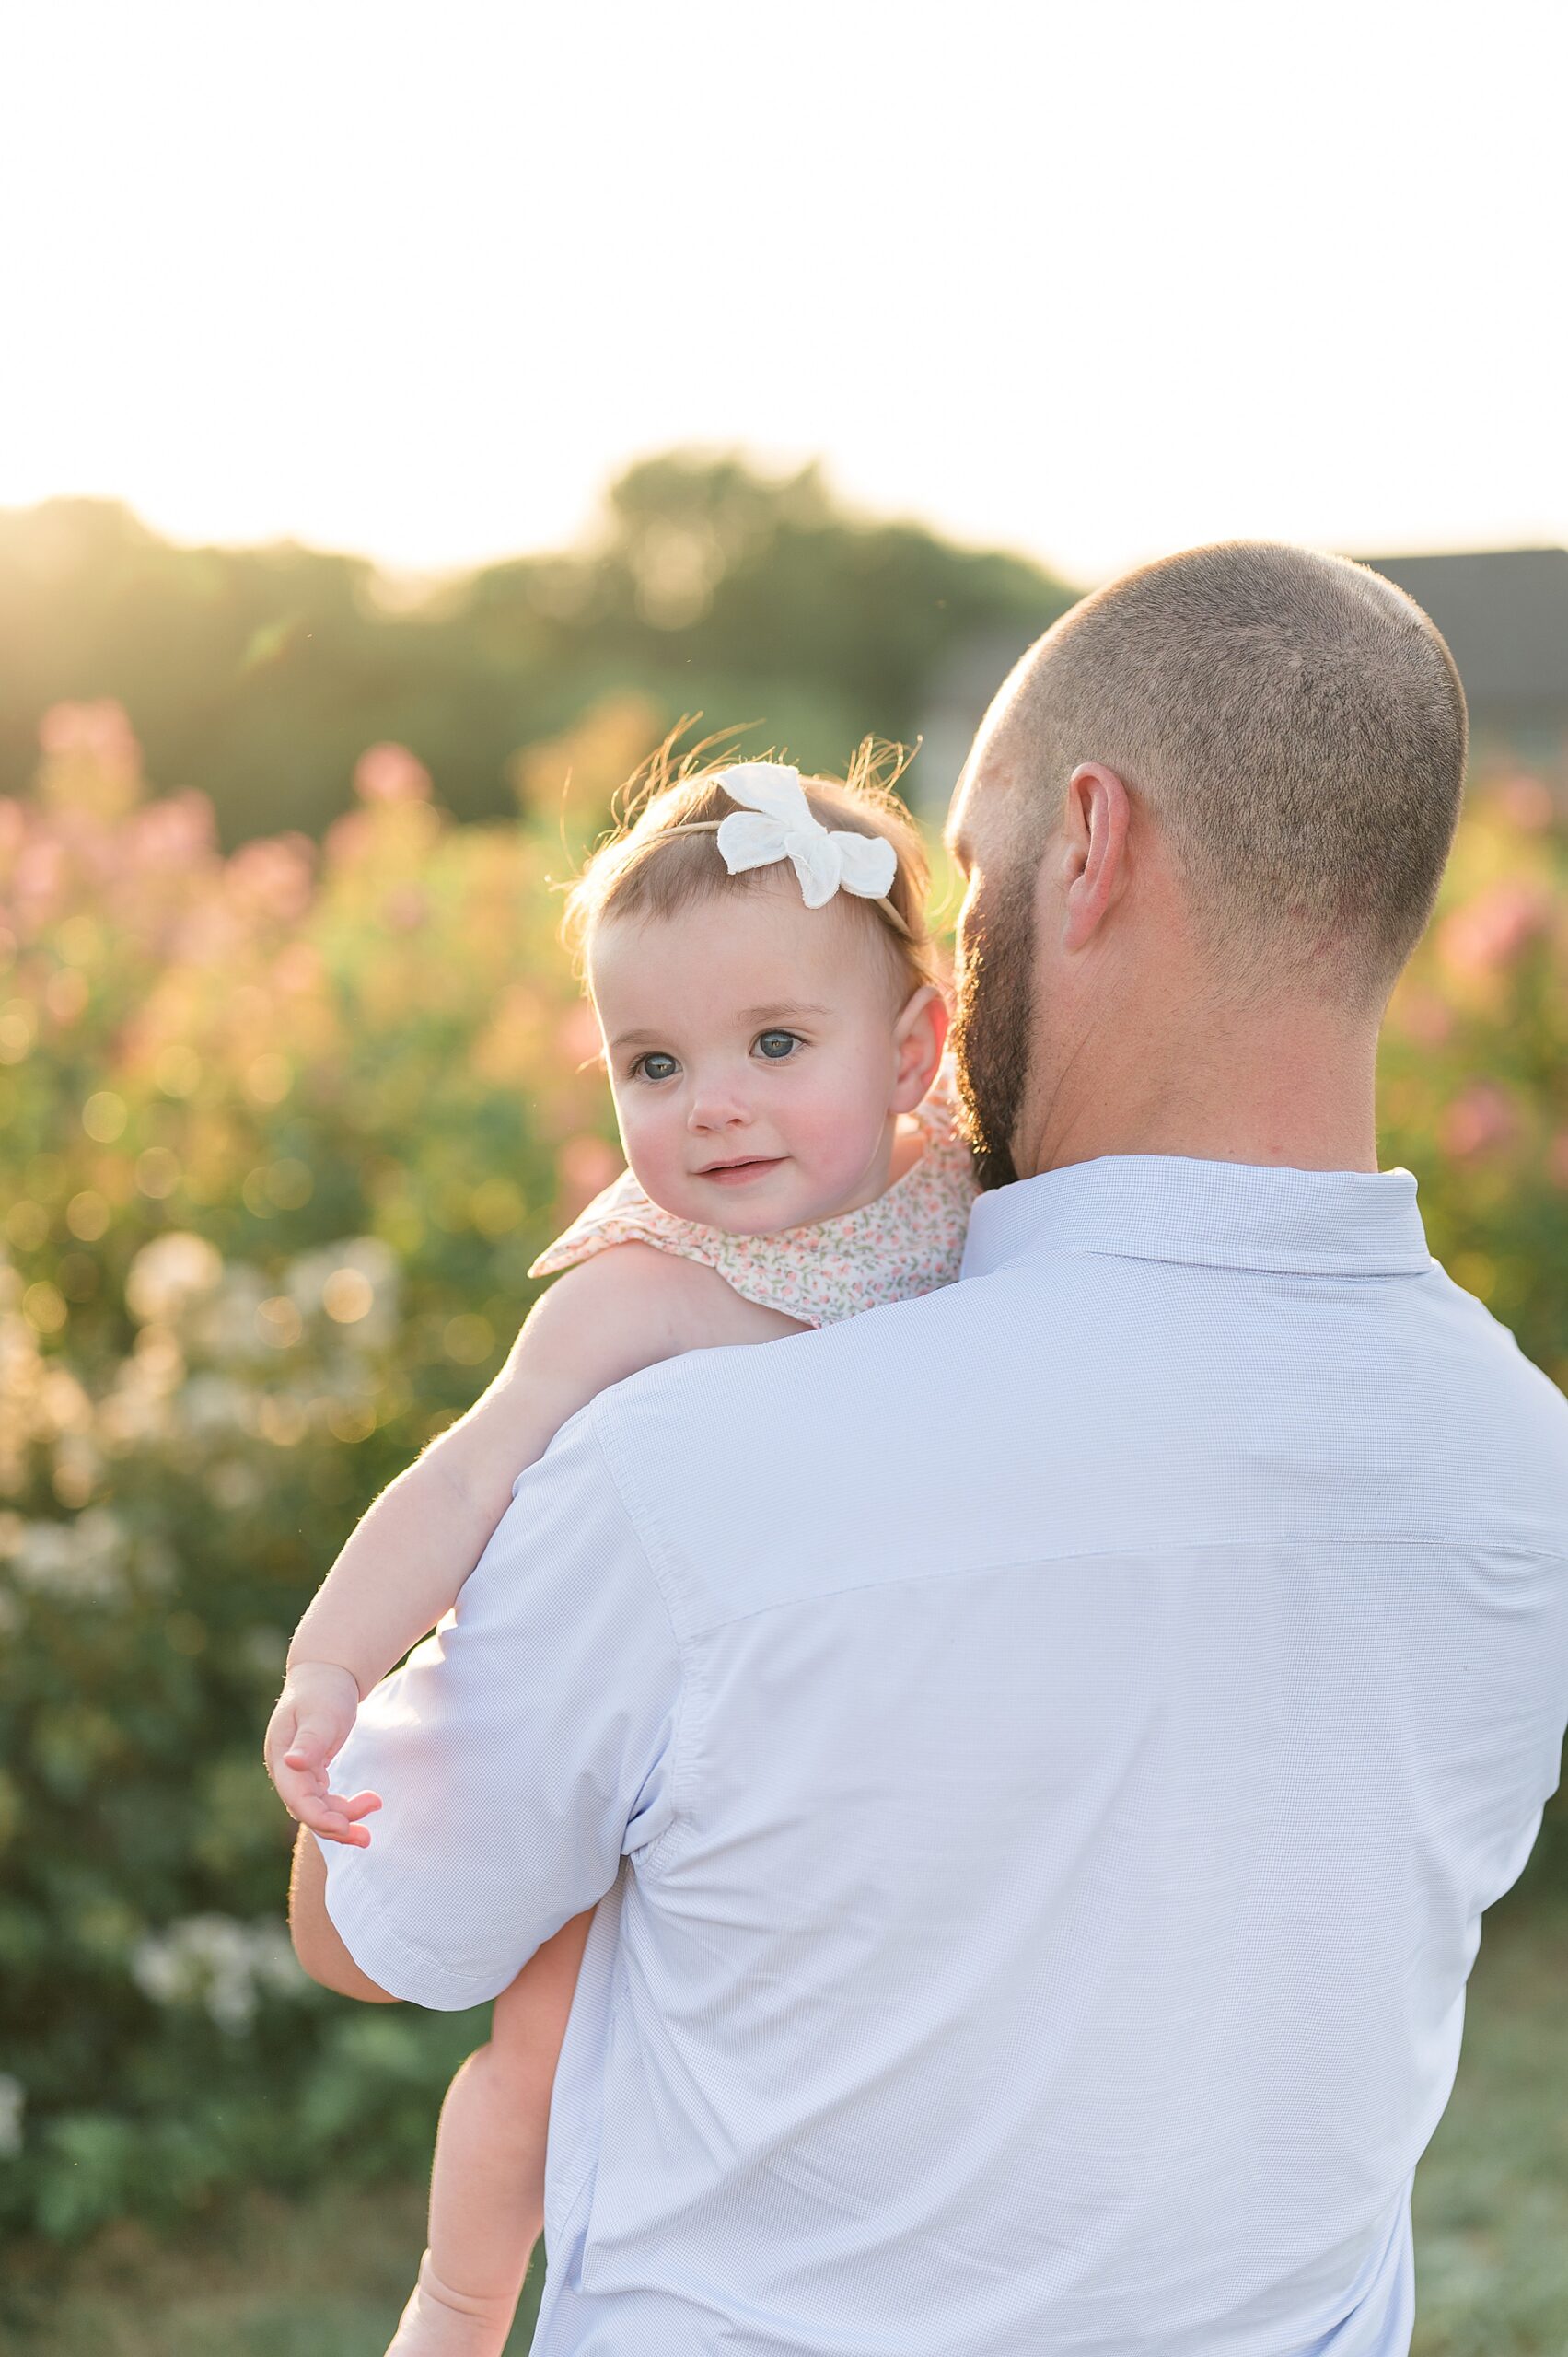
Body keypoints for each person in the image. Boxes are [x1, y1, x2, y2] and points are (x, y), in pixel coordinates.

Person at [291, 542, 1568, 2357]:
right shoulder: (1529, 1470)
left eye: (970, 878)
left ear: (1094, 842)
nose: (949, 948)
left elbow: (374, 1912)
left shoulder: (689, 1454)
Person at [268, 749, 975, 2354]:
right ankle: (459, 2299)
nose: (710, 1101)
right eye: (650, 1064)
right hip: (628, 1736)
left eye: (776, 1044)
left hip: (841, 1731)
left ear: (917, 1049)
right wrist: (331, 1663)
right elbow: (463, 1480)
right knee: (546, 2043)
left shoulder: (978, 1203)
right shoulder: (642, 1288)